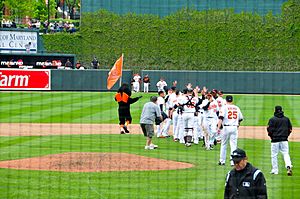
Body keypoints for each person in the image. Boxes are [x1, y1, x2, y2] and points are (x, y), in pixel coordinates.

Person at [217, 95, 243, 166]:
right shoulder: (236, 108)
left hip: (226, 128)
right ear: (232, 100)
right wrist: (238, 125)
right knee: (233, 145)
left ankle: (222, 161)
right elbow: (240, 118)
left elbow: (221, 118)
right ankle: (233, 162)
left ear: (226, 100)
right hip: (234, 128)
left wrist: (218, 128)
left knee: (224, 144)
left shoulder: (224, 107)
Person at [267, 105, 293, 176]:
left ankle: (275, 170)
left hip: (275, 140)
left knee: (274, 155)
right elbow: (290, 129)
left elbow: (269, 130)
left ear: (275, 110)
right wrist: (286, 135)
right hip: (284, 140)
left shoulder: (272, 119)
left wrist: (271, 137)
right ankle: (288, 166)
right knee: (286, 153)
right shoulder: (286, 119)